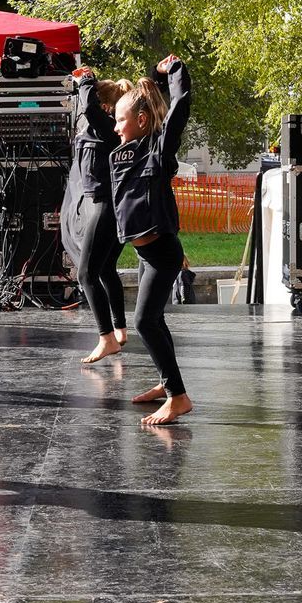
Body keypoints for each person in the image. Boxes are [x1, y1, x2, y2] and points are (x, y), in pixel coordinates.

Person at [110, 55, 193, 426]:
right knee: (154, 319)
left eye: (120, 121)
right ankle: (166, 383)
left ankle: (179, 397)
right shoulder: (121, 155)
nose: (115, 128)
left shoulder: (158, 151)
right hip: (145, 255)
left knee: (144, 322)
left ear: (141, 121)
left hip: (161, 253)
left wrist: (172, 72)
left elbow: (180, 105)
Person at [62, 67, 131, 362]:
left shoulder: (106, 126)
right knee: (105, 270)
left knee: (86, 274)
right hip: (107, 204)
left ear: (104, 106)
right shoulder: (100, 128)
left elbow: (88, 106)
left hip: (106, 206)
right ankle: (120, 329)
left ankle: (106, 337)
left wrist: (86, 80)